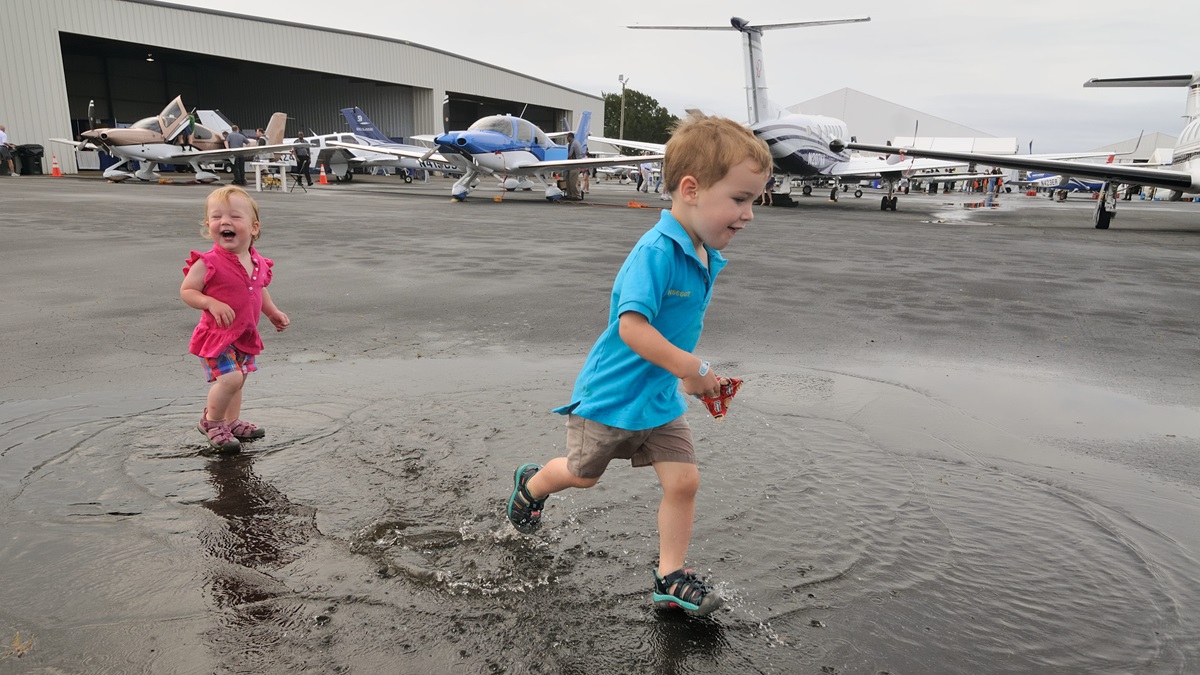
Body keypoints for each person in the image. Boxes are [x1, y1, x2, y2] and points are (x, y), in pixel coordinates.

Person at [505, 112, 772, 617]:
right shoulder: (655, 252)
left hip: (658, 399)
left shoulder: (702, 250)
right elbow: (632, 328)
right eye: (740, 199)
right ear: (691, 189)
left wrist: (688, 381)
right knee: (582, 477)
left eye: (752, 201)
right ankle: (532, 484)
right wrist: (694, 369)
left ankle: (670, 577)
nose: (749, 214)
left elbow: (673, 331)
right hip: (612, 396)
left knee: (684, 481)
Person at [181, 186, 290, 452]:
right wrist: (210, 302)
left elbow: (258, 289)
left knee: (239, 379)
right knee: (229, 379)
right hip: (216, 336)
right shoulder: (208, 262)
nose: (225, 222)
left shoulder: (258, 262)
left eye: (234, 216)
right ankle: (212, 422)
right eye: (217, 217)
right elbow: (187, 291)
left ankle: (230, 420)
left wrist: (272, 312)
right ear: (209, 226)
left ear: (254, 228)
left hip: (243, 333)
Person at [565, 132, 584, 200]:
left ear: (570, 137)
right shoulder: (576, 143)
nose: (567, 139)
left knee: (572, 182)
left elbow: (570, 154)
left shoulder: (573, 143)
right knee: (568, 180)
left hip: (575, 165)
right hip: (573, 165)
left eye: (567, 138)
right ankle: (570, 195)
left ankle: (576, 195)